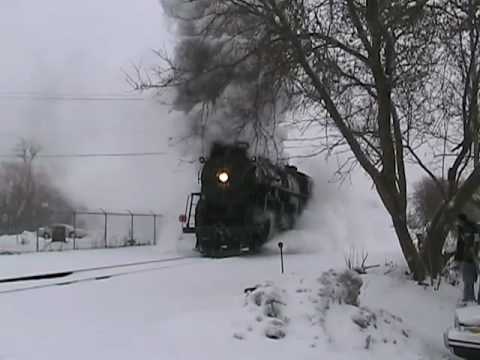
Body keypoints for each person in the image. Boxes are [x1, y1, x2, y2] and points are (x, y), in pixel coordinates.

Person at [454, 213, 480, 303]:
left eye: (458, 220)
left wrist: (474, 251)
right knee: (467, 278)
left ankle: (471, 299)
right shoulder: (461, 230)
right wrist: (457, 258)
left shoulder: (472, 228)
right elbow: (460, 244)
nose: (457, 222)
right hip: (467, 257)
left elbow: (476, 240)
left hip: (473, 257)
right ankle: (468, 298)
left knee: (470, 278)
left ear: (462, 220)